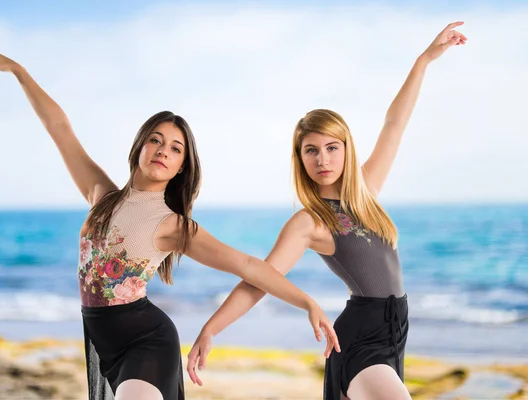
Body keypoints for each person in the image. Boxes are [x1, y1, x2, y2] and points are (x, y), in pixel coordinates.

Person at [0, 48, 339, 400]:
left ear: (182, 167)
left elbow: (248, 266)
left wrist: (306, 302)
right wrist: (20, 72)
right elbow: (59, 128)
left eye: (176, 148)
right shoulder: (101, 194)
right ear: (139, 147)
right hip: (104, 344)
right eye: (156, 140)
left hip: (147, 343)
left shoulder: (173, 225)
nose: (164, 150)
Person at [186, 22, 467, 400]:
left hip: (395, 336)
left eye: (332, 147)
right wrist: (211, 328)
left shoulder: (365, 191)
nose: (323, 159)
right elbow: (260, 279)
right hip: (359, 341)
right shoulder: (310, 221)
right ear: (300, 159)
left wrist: (425, 59)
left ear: (346, 149)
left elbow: (395, 123)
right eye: (311, 150)